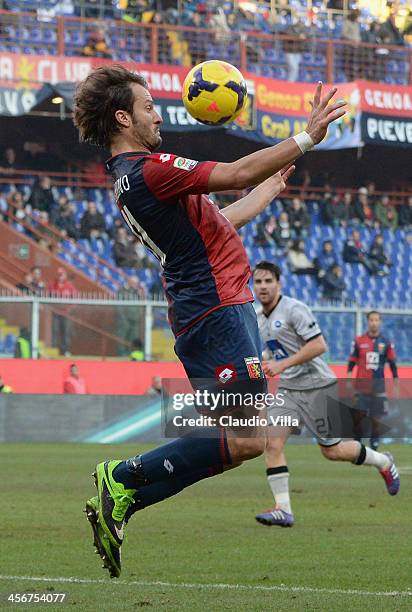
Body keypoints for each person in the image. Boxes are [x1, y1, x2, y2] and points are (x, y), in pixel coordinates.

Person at [73, 65, 346, 577]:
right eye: (149, 106)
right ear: (122, 117)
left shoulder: (134, 178)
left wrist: (269, 187)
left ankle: (126, 498)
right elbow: (237, 171)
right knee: (247, 440)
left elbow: (220, 224)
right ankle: (122, 474)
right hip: (216, 313)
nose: (159, 113)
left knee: (242, 442)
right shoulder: (152, 169)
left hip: (213, 310)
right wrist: (307, 138)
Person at [252, 262, 399, 528]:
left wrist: (281, 365)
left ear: (279, 283)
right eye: (258, 282)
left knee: (333, 451)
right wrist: (259, 363)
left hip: (319, 386)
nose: (263, 287)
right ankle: (283, 509)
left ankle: (383, 461)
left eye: (268, 281)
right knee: (271, 443)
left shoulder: (294, 309)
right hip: (289, 389)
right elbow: (274, 351)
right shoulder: (259, 319)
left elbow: (319, 345)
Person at [348, 311, 399, 451]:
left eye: (376, 320)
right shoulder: (359, 341)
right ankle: (357, 445)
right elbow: (351, 363)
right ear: (367, 322)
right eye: (371, 320)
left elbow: (393, 364)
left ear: (380, 322)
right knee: (358, 417)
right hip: (361, 387)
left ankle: (374, 445)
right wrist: (348, 381)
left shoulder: (386, 342)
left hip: (378, 387)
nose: (374, 322)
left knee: (376, 419)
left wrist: (396, 383)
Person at [47, 267, 77, 355]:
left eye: (62, 275)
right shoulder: (52, 285)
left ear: (65, 275)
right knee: (55, 331)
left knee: (65, 332)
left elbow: (75, 299)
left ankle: (65, 350)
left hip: (65, 313)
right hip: (55, 312)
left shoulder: (69, 286)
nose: (60, 277)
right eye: (58, 275)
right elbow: (47, 297)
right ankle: (53, 350)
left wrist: (69, 309)